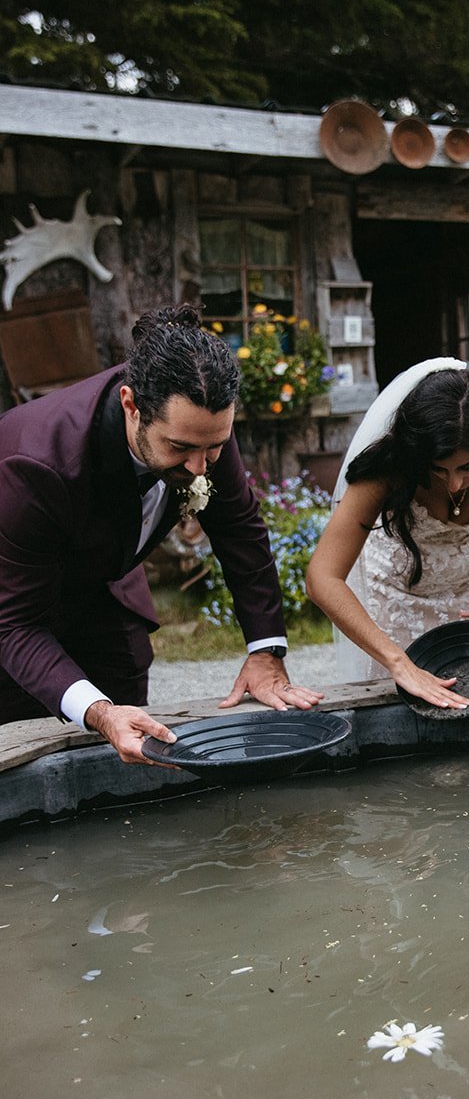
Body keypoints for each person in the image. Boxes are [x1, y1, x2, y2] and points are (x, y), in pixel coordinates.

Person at [0, 304, 323, 764]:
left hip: (107, 589)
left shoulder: (199, 422)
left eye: (214, 447)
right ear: (131, 406)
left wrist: (266, 651)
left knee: (139, 732)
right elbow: (14, 623)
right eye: (181, 449)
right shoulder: (36, 465)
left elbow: (239, 529)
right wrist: (98, 711)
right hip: (13, 601)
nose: (199, 468)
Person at [306, 358, 469, 708]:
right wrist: (397, 661)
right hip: (398, 597)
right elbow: (321, 578)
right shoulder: (391, 463)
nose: (455, 483)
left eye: (468, 466)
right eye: (438, 468)